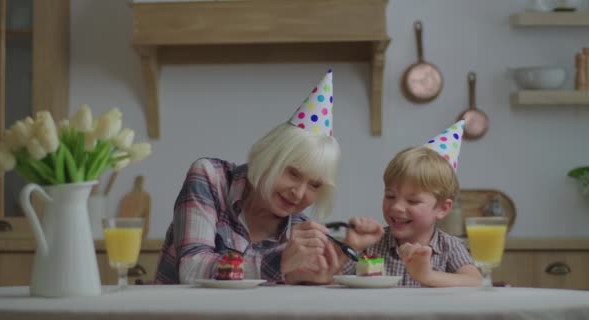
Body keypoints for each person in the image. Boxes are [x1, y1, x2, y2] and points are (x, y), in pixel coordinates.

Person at [154, 70, 342, 285]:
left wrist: (317, 277)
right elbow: (191, 268)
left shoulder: (301, 230)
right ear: (268, 157)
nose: (298, 193)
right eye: (293, 173)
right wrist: (278, 263)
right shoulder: (210, 177)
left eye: (314, 185)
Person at [340, 120, 482, 287]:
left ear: (443, 208)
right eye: (390, 196)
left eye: (412, 201)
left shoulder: (449, 247)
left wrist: (428, 276)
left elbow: (475, 281)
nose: (396, 207)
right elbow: (330, 279)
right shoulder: (371, 245)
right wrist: (350, 246)